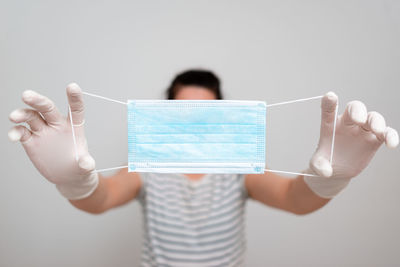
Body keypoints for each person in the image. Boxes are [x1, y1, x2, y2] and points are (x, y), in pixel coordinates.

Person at [8, 70, 399, 266]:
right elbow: (102, 199)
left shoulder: (236, 167)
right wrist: (74, 183)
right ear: (166, 115)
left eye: (206, 113)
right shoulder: (148, 166)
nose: (194, 124)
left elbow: (293, 200)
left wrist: (332, 179)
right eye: (183, 113)